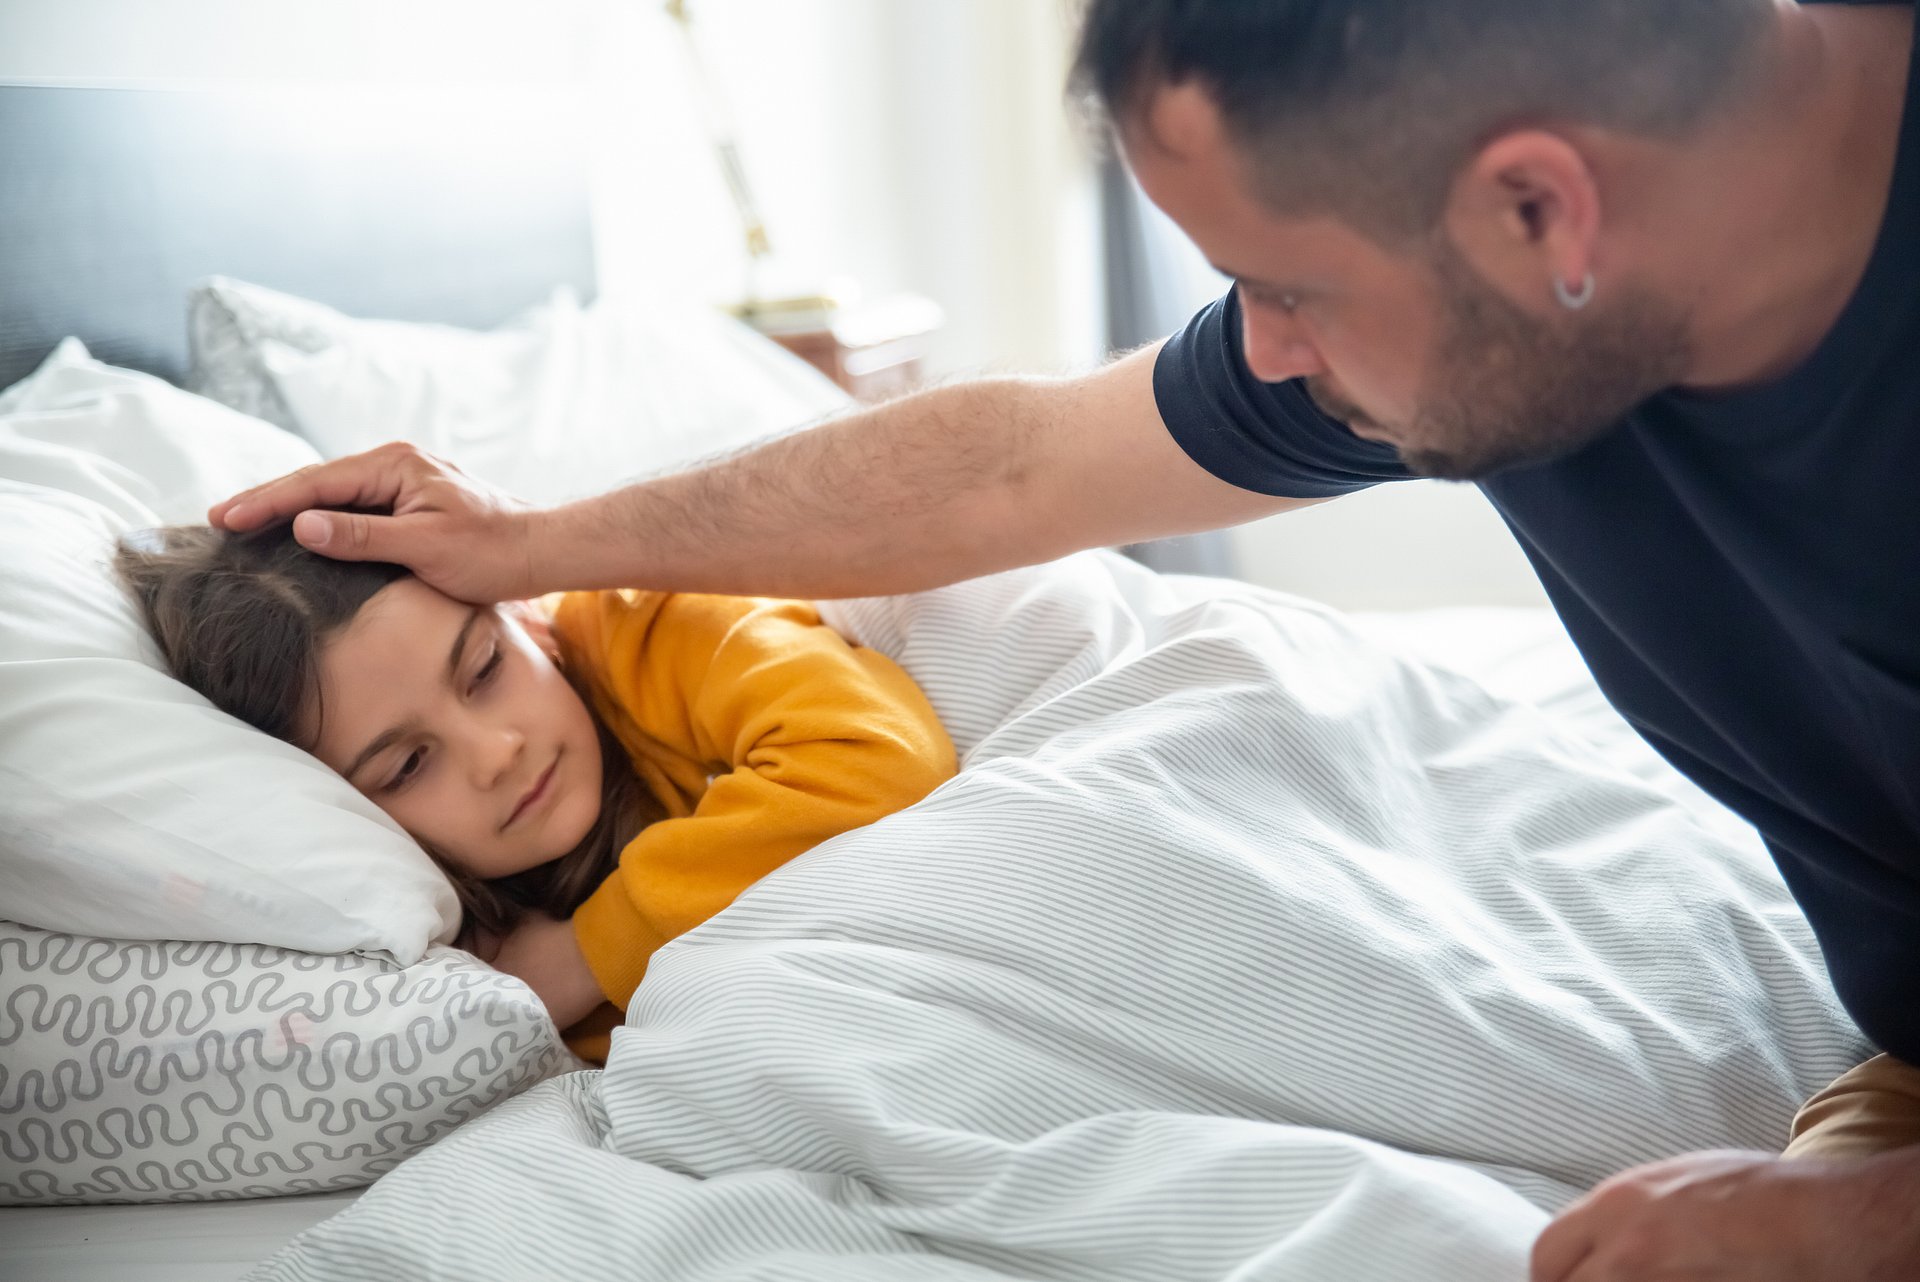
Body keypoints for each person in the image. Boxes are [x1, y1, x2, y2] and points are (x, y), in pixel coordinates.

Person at [211, 0, 1920, 1276]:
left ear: (1540, 212)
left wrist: (1863, 1223)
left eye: (1285, 283)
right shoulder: (1537, 280)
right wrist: (535, 541)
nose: (1253, 352)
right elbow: (1021, 459)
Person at [115, 521, 955, 1062]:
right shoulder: (447, 944)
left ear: (529, 621)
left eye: (485, 669)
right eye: (408, 766)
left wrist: (592, 949)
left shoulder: (644, 616)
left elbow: (880, 757)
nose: (496, 753)